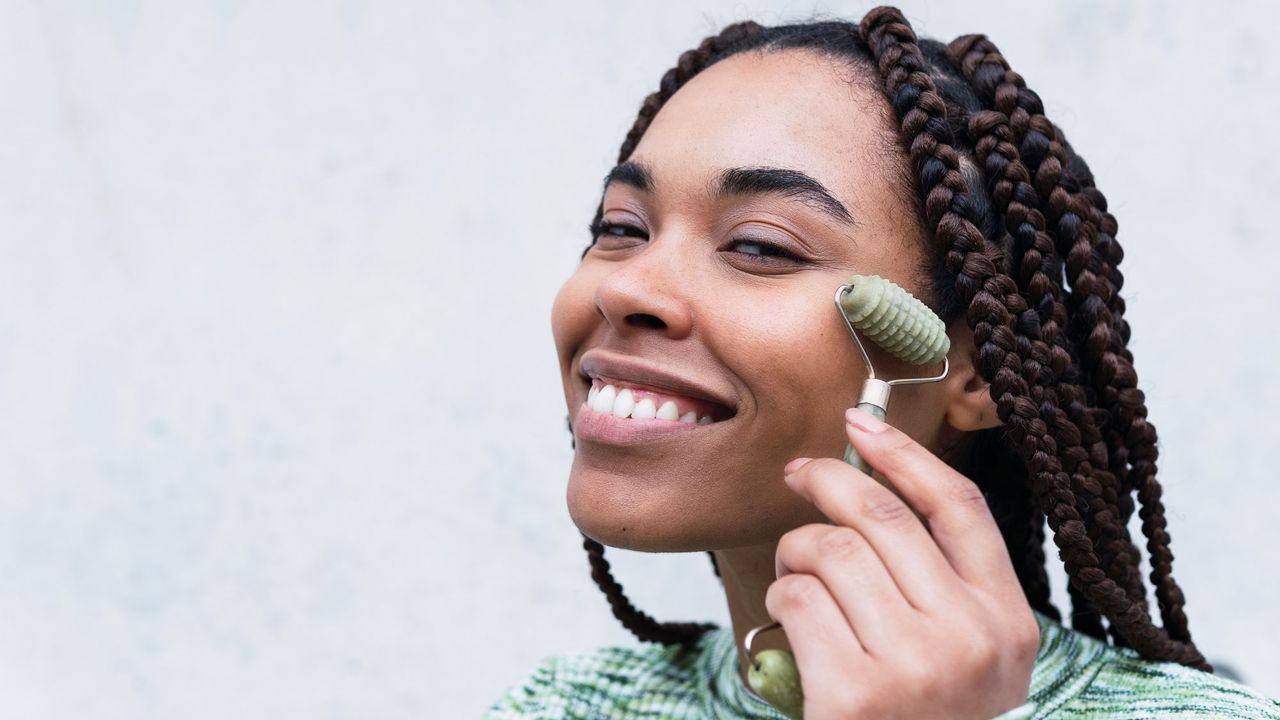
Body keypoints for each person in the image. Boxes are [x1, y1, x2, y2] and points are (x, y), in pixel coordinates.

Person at [485, 7, 1280, 719]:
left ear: (972, 370)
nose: (626, 286)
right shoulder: (561, 706)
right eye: (622, 226)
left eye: (760, 245)